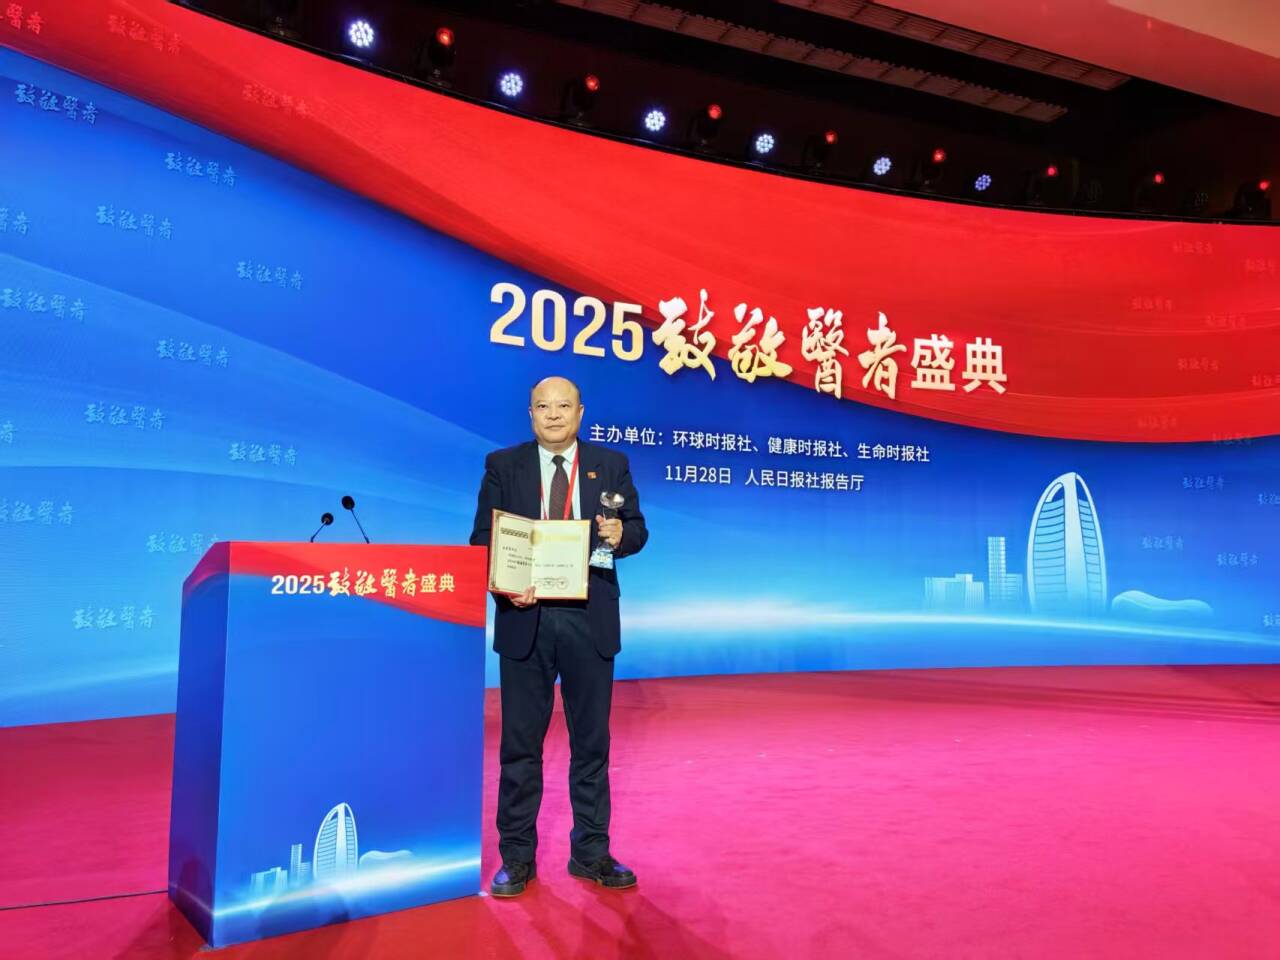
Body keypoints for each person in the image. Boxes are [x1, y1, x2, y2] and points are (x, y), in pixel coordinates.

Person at [470, 376, 648, 897]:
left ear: (580, 412)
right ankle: (516, 857)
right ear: (530, 414)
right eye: (543, 406)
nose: (553, 414)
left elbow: (637, 530)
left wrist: (622, 535)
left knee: (591, 745)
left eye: (563, 405)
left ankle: (591, 852)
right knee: (520, 746)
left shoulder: (610, 464)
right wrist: (507, 582)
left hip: (589, 618)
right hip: (525, 616)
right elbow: (482, 539)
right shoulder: (503, 465)